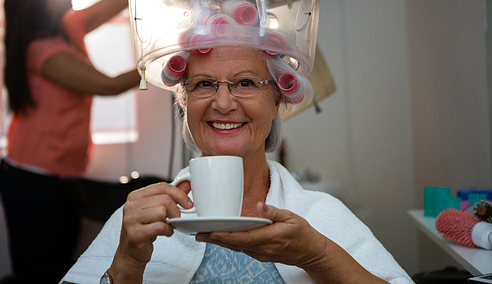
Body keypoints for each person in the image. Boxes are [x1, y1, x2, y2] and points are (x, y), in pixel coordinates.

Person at [61, 46, 412, 284]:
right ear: (184, 103)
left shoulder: (319, 216)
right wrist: (126, 266)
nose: (224, 102)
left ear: (276, 101)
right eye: (204, 84)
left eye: (245, 82)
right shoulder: (142, 217)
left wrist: (317, 255)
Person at [0, 0, 140, 284]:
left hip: (60, 175)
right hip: (31, 179)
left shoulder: (68, 27)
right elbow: (109, 85)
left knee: (59, 266)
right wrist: (167, 62)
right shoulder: (42, 51)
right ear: (40, 1)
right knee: (42, 273)